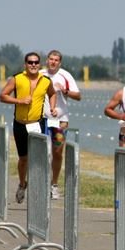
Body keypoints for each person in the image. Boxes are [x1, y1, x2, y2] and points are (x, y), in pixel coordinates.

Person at [0, 52, 57, 203]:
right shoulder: (17, 79)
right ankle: (22, 183)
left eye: (36, 62)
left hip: (37, 124)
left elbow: (52, 94)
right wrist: (19, 101)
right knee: (24, 159)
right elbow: (3, 96)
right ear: (25, 64)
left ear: (40, 64)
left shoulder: (45, 81)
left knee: (38, 158)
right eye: (30, 62)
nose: (33, 65)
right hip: (20, 124)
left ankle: (38, 188)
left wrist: (52, 107)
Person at [41, 50, 81, 199]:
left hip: (60, 120)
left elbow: (78, 96)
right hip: (42, 119)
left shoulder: (65, 75)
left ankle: (54, 184)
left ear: (60, 62)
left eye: (56, 60)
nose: (53, 62)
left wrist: (65, 91)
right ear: (47, 60)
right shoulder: (40, 74)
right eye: (51, 59)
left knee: (57, 152)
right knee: (43, 152)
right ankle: (41, 182)